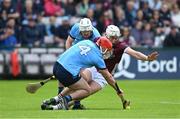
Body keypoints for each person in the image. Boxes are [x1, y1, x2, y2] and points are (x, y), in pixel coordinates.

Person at [41, 36, 125, 110]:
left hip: (57, 65)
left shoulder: (86, 42)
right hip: (67, 71)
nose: (107, 53)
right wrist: (117, 89)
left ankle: (55, 99)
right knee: (87, 90)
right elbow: (108, 76)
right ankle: (65, 100)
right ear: (102, 48)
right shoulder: (98, 58)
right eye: (107, 50)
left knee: (80, 82)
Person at [56, 17, 101, 109]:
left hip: (85, 57)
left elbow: (96, 53)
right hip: (73, 52)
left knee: (80, 79)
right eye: (83, 32)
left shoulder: (96, 37)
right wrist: (68, 56)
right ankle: (59, 99)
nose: (85, 34)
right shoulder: (76, 27)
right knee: (61, 77)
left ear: (91, 29)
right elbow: (68, 41)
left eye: (87, 32)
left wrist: (84, 65)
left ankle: (76, 105)